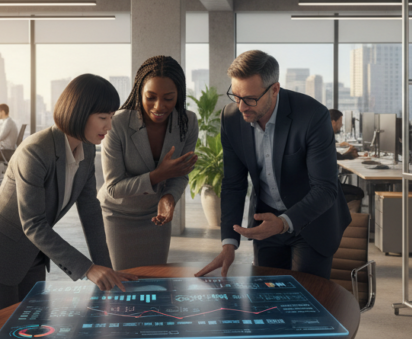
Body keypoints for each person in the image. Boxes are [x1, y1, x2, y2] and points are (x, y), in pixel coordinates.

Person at [0, 74, 137, 316]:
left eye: (112, 117)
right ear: (79, 112)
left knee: (34, 331)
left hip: (32, 254)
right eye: (103, 117)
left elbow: (90, 211)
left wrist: (106, 269)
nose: (109, 126)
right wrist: (88, 269)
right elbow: (33, 224)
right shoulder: (35, 151)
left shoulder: (86, 148)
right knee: (1, 337)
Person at [196, 50, 351, 280]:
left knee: (305, 302)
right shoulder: (231, 118)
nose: (241, 107)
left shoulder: (312, 116)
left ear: (275, 89)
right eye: (236, 96)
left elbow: (325, 189)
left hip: (312, 221)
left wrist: (283, 223)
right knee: (268, 299)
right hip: (266, 221)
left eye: (249, 99)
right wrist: (229, 243)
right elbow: (233, 184)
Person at [99, 56, 198, 270]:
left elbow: (180, 173)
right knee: (122, 283)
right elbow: (114, 188)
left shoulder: (187, 123)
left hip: (156, 215)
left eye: (168, 98)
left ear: (178, 95)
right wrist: (158, 175)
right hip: (119, 214)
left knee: (155, 283)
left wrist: (169, 198)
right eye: (150, 97)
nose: (159, 106)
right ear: (139, 93)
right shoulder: (117, 123)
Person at [330, 109, 365, 213]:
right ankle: (347, 222)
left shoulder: (324, 135)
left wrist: (350, 154)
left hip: (325, 184)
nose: (341, 125)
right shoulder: (326, 137)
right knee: (359, 192)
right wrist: (350, 154)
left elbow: (335, 156)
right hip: (329, 186)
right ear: (333, 122)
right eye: (340, 122)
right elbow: (336, 157)